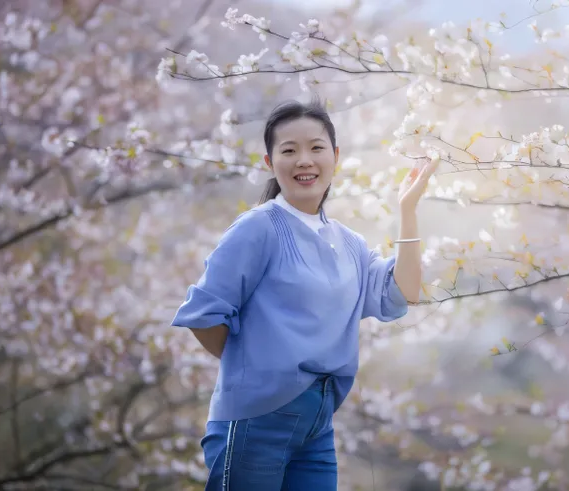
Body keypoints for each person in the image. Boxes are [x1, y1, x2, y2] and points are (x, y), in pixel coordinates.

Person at [171, 97, 439, 491]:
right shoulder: (257, 228)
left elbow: (404, 292)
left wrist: (408, 208)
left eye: (316, 148)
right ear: (269, 162)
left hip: (317, 426)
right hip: (254, 422)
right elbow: (205, 313)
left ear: (335, 155)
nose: (304, 160)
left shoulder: (349, 242)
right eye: (289, 150)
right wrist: (258, 372)